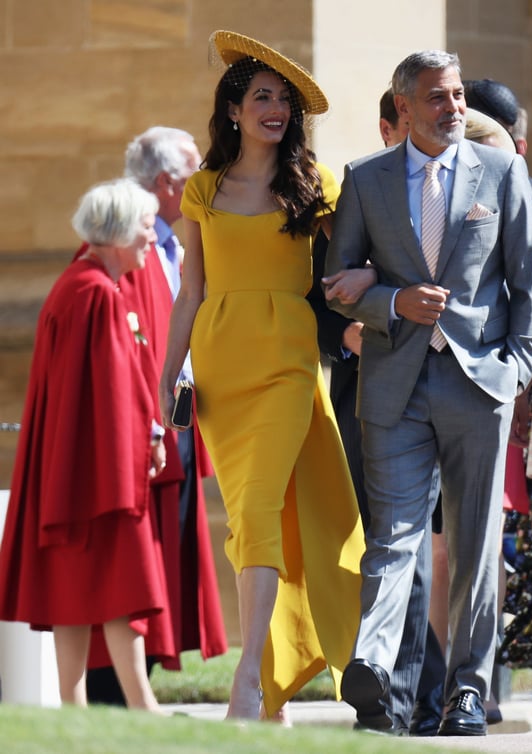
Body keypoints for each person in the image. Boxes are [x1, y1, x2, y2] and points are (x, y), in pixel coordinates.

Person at [323, 49, 532, 737]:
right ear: (404, 107)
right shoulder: (365, 178)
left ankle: (468, 693)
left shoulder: (502, 169)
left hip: (479, 384)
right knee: (392, 539)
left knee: (475, 548)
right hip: (393, 387)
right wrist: (393, 300)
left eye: (456, 96)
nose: (453, 108)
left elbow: (528, 285)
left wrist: (513, 372)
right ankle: (374, 670)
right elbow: (339, 287)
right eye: (437, 98)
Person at [158, 30, 364, 721]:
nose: (275, 109)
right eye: (262, 97)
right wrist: (168, 375)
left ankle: (249, 676)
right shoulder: (202, 189)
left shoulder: (317, 183)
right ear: (235, 110)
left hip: (285, 362)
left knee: (255, 509)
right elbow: (191, 289)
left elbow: (353, 265)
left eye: (284, 101)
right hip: (220, 365)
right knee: (249, 516)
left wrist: (367, 288)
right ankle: (269, 684)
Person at [309, 88, 447, 736]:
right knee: (396, 547)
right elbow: (315, 301)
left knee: (437, 552)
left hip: (452, 393)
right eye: (408, 125)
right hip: (370, 399)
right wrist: (345, 335)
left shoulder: (460, 194)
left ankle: (441, 691)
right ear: (388, 127)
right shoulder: (350, 201)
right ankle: (398, 701)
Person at [0, 178, 167, 711]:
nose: (150, 237)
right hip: (102, 471)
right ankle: (140, 706)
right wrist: (142, 451)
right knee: (120, 586)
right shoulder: (94, 293)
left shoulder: (84, 284)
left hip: (75, 468)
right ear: (118, 233)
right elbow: (112, 395)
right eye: (144, 227)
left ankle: (79, 707)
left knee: (77, 591)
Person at [87, 127, 229, 703]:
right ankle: (116, 687)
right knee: (137, 559)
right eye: (196, 167)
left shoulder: (187, 240)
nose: (207, 176)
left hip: (182, 419)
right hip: (142, 430)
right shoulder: (129, 246)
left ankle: (138, 678)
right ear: (170, 182)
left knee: (167, 557)